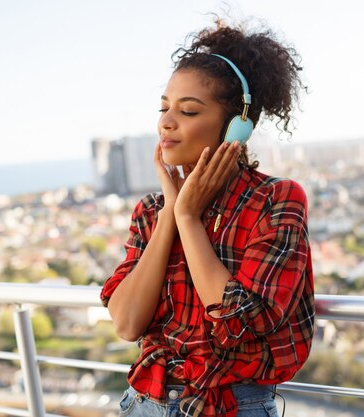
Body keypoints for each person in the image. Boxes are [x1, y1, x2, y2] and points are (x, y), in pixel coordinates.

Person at [100, 18, 315, 417]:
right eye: (164, 108)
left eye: (188, 110)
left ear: (236, 127)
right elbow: (127, 323)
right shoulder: (150, 211)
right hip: (142, 403)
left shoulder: (275, 200)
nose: (166, 121)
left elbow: (243, 322)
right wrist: (170, 214)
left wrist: (188, 218)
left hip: (233, 406)